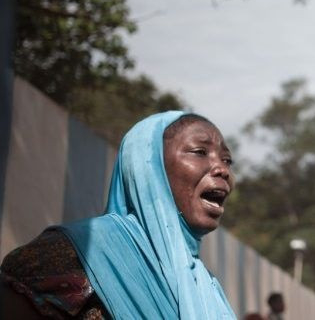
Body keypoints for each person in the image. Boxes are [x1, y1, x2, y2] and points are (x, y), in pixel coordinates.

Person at [0, 112, 236, 319]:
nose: (223, 170)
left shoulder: (205, 285)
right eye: (200, 152)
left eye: (227, 160)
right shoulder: (76, 253)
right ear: (149, 166)